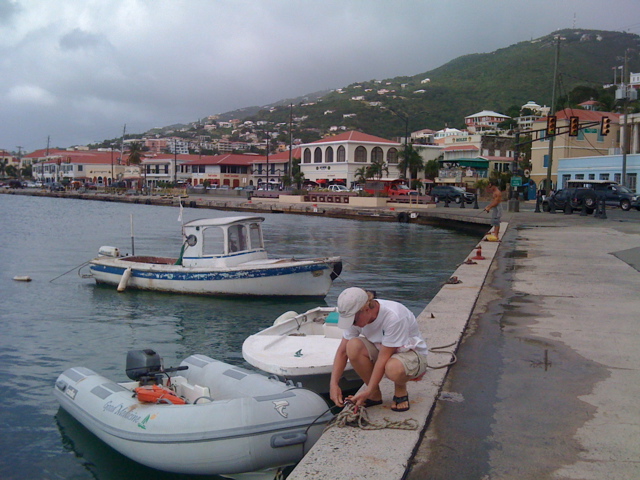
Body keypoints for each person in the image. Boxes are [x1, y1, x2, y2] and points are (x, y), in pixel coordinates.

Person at [329, 287, 428, 412]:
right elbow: (342, 352)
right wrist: (333, 384)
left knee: (393, 368)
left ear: (366, 309)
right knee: (352, 346)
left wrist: (367, 390)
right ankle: (374, 395)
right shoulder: (355, 316)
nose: (352, 324)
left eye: (353, 321)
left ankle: (400, 389)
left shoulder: (393, 316)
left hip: (409, 353)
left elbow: (383, 358)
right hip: (382, 348)